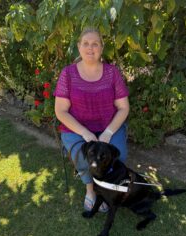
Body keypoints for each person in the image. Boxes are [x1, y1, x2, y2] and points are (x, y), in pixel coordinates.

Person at [54, 27, 130, 212]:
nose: (90, 48)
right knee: (82, 155)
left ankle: (105, 189)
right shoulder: (68, 74)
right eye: (86, 43)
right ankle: (90, 189)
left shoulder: (112, 73)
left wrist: (109, 132)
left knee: (117, 154)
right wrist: (84, 132)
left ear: (102, 48)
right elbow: (61, 111)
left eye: (95, 43)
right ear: (79, 47)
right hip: (76, 129)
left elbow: (123, 108)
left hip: (108, 127)